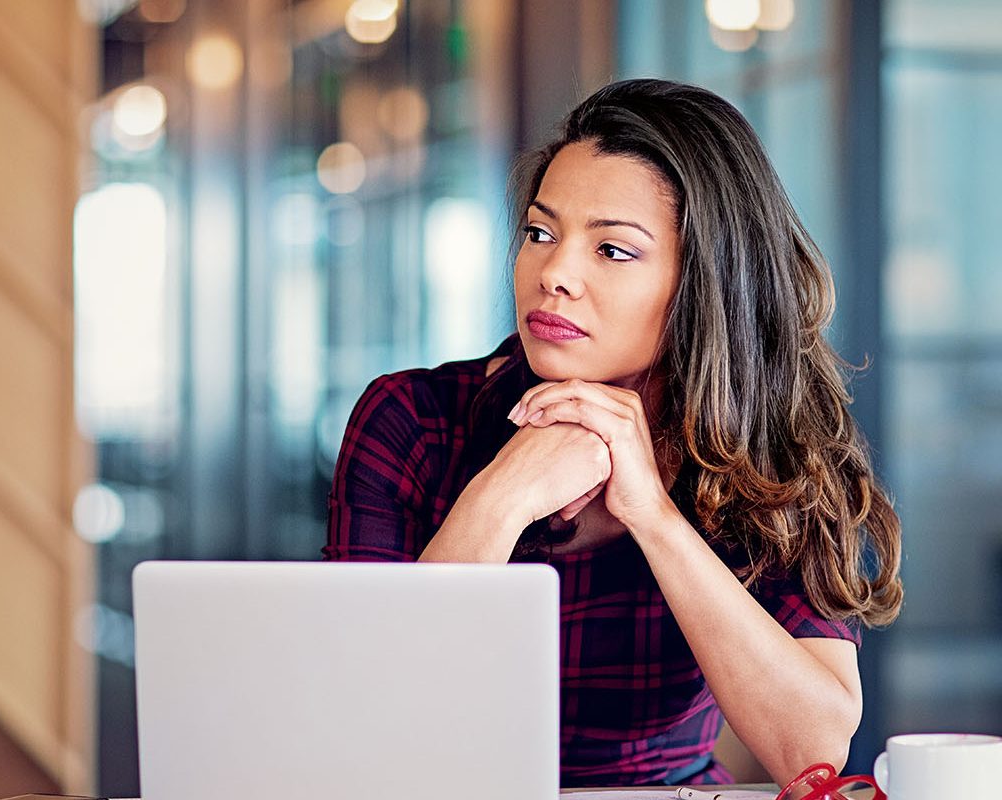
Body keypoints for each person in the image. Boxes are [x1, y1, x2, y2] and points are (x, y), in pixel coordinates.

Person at [324, 78, 903, 788]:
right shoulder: (411, 419)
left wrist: (653, 516)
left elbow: (810, 749)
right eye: (541, 233)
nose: (554, 274)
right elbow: (361, 722)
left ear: (704, 282)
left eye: (613, 250)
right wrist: (500, 498)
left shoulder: (768, 446)